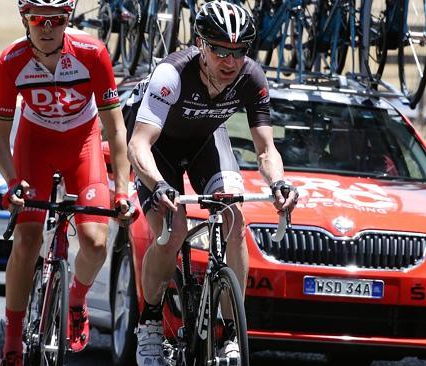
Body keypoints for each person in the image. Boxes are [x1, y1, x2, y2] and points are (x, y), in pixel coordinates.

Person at [126, 1, 298, 364]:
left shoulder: (251, 78)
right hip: (158, 148)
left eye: (238, 52)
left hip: (206, 139)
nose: (229, 61)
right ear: (200, 44)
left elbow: (266, 149)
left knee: (234, 219)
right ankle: (151, 320)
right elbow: (139, 143)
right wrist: (158, 185)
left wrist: (280, 183)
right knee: (171, 233)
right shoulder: (171, 74)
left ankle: (231, 333)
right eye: (219, 49)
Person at [0, 0, 132, 364]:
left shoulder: (92, 53)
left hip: (82, 143)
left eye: (57, 19)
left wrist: (122, 191)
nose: (47, 27)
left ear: (68, 19)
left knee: (96, 241)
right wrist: (12, 183)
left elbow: (115, 130)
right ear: (25, 19)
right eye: (38, 19)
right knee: (26, 239)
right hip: (35, 145)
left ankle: (76, 300)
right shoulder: (10, 61)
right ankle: (12, 337)